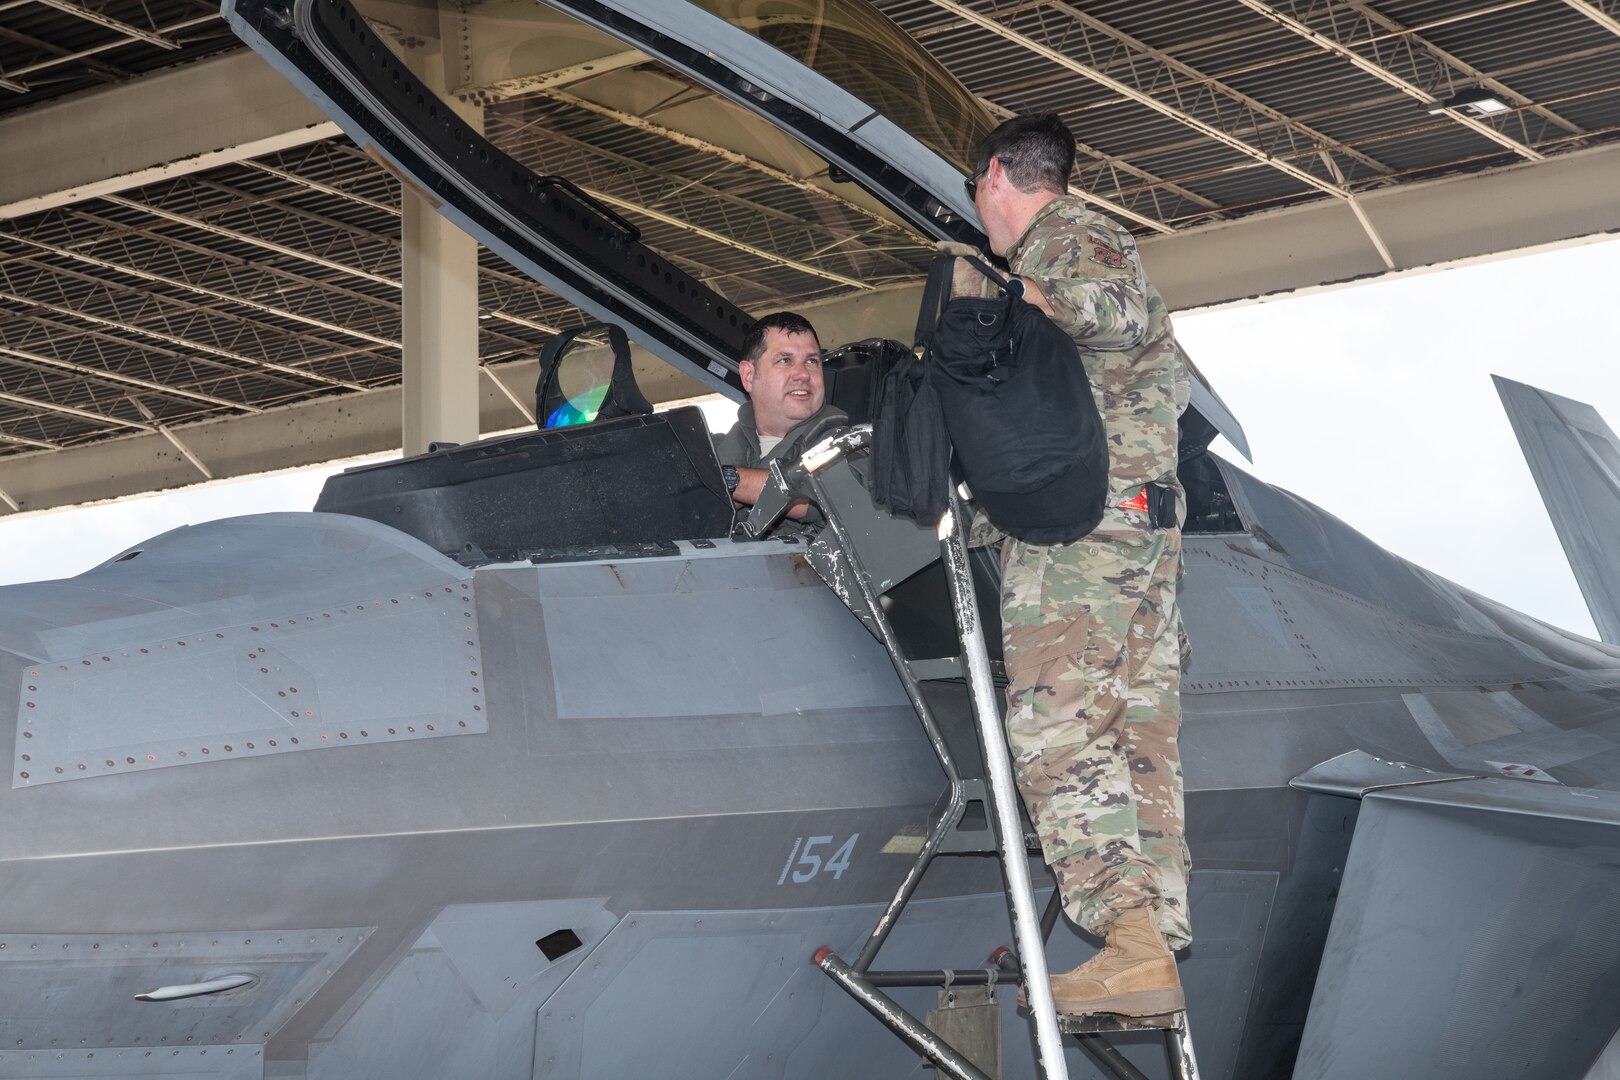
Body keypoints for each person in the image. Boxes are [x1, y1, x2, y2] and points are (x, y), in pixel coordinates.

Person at [967, 113, 1192, 1018]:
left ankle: (1128, 939)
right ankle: (1146, 952)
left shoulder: (1069, 240)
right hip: (1138, 528)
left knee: (1058, 730)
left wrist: (1022, 303)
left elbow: (1109, 310)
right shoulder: (1094, 241)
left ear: (994, 177)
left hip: (1085, 541)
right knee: (1137, 744)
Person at [713, 311, 845, 522]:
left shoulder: (853, 447)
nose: (803, 374)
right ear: (748, 376)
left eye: (812, 361)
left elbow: (830, 499)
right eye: (785, 360)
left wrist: (732, 482)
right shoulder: (715, 448)